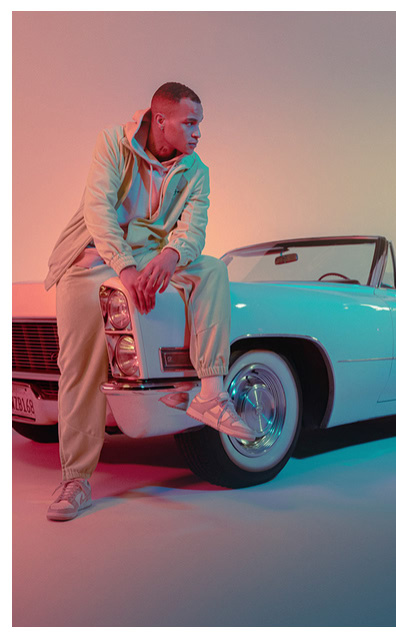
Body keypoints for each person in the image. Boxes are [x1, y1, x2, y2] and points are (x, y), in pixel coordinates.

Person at [44, 82, 257, 521]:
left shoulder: (197, 170)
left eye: (200, 124)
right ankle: (76, 479)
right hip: (94, 259)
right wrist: (124, 268)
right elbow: (98, 210)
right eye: (190, 122)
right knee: (81, 366)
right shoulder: (113, 143)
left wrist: (171, 256)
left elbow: (193, 229)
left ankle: (211, 392)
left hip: (150, 260)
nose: (198, 132)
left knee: (212, 270)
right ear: (161, 120)